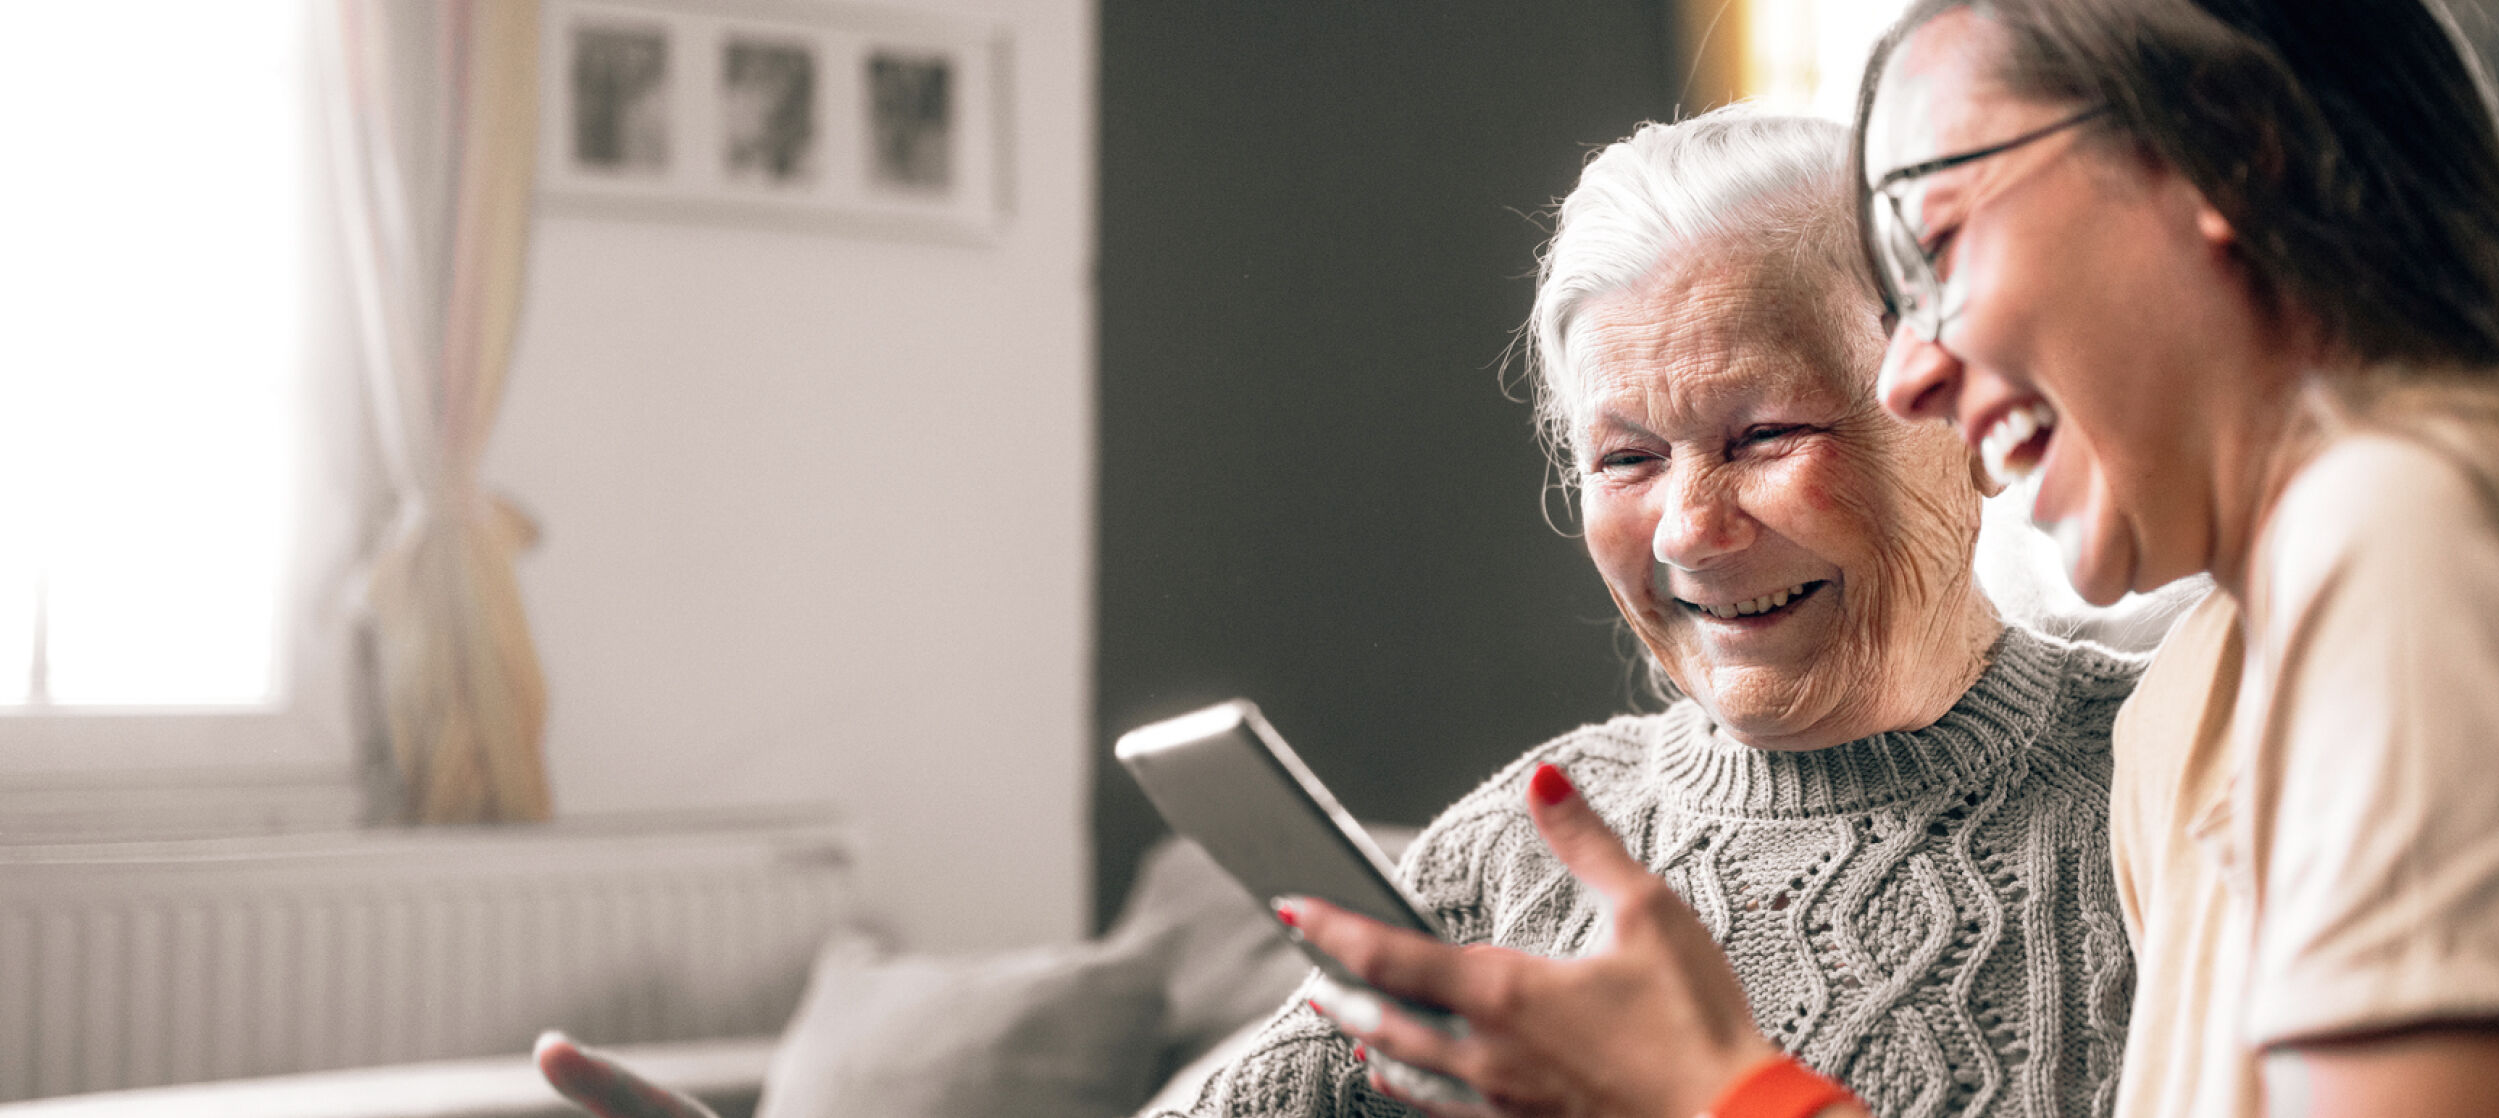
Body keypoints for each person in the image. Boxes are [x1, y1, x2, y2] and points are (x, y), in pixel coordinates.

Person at [1287, 2, 2499, 1117]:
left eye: (1940, 239)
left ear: (2227, 163)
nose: (1912, 365)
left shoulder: (2435, 541)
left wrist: (1709, 1100)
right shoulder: (2233, 666)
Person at [533, 105, 2157, 1118]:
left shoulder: (2172, 788)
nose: (1689, 523)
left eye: (1765, 436)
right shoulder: (1531, 830)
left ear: (1958, 407)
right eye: (1625, 455)